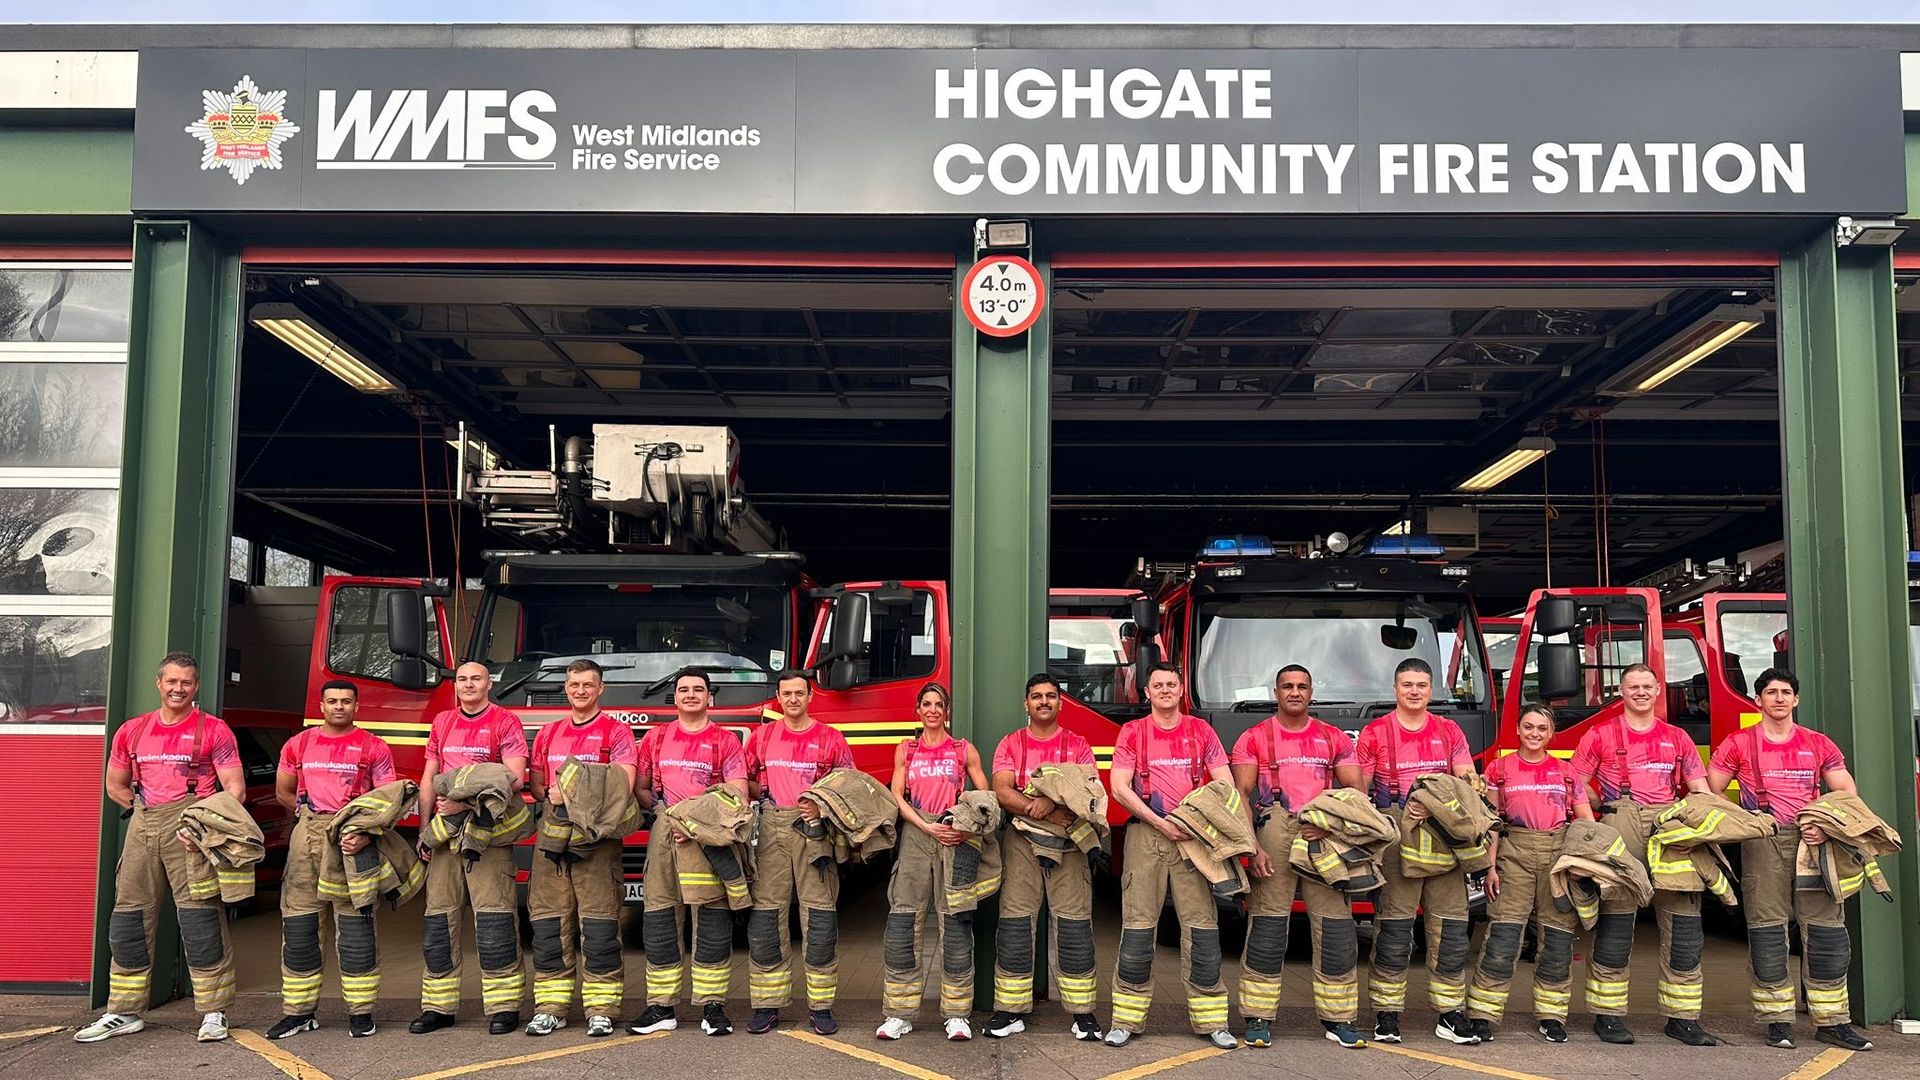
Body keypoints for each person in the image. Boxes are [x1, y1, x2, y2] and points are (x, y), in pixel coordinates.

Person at [79, 652, 247, 1045]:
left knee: (201, 918)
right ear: (159, 683)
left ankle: (214, 1012)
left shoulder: (215, 731)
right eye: (172, 681)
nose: (178, 688)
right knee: (129, 919)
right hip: (143, 824)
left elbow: (234, 789)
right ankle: (123, 1010)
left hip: (192, 827)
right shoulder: (132, 731)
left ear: (196, 686)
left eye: (186, 682)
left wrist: (202, 826)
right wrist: (139, 810)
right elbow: (115, 785)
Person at [1706, 668, 1872, 1052]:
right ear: (1758, 701)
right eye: (1770, 692)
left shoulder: (1818, 744)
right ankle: (1777, 1021)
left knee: (1826, 931)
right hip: (1764, 839)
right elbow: (1709, 792)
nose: (1778, 699)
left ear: (1795, 700)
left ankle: (1832, 1022)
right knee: (1768, 929)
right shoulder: (1739, 743)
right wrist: (1746, 823)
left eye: (1785, 692)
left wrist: (1826, 826)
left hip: (1814, 841)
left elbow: (1846, 791)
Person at [1569, 662, 1714, 1046]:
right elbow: (1574, 784)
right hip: (1621, 826)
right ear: (1621, 690)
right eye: (1633, 686)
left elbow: (1698, 789)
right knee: (1617, 922)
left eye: (1647, 686)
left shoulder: (1677, 737)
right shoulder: (1599, 734)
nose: (1641, 693)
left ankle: (1683, 1019)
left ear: (1658, 689)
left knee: (1684, 923)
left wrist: (1697, 827)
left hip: (1669, 829)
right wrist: (1601, 818)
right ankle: (1608, 1016)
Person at [1229, 664, 1367, 1050]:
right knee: (1268, 927)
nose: (1294, 692)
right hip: (1274, 833)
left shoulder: (1333, 737)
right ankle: (1258, 1017)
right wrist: (1252, 847)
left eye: (1301, 686)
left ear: (1311, 692)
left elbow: (1355, 790)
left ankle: (1339, 1020)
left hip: (1323, 834)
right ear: (1276, 692)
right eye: (1287, 686)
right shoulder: (1253, 738)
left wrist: (1333, 827)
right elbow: (1241, 794)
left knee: (1338, 928)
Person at [1106, 662, 1236, 1050]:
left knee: (1202, 929)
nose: (1164, 690)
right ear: (1146, 692)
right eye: (1157, 685)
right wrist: (1161, 823)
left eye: (1171, 684)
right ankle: (1126, 1020)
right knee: (1138, 928)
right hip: (1146, 836)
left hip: (1194, 840)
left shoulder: (1201, 731)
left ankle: (1212, 1022)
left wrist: (1199, 823)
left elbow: (1226, 785)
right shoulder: (1133, 732)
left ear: (1181, 690)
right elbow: (1119, 788)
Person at [1356, 657, 1483, 1047]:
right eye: (1407, 684)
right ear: (1395, 689)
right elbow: (1359, 793)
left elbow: (1468, 783)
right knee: (1394, 926)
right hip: (1397, 833)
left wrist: (1437, 804)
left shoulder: (1449, 731)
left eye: (1422, 684)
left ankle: (1449, 1013)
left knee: (1450, 927)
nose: (1414, 691)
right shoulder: (1375, 732)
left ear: (1432, 690)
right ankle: (1386, 1014)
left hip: (1445, 834)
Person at [265, 679, 400, 1040]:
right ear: (321, 706)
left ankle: (360, 1013)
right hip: (305, 837)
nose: (338, 707)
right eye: (332, 701)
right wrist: (309, 820)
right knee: (300, 927)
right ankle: (299, 1013)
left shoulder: (373, 747)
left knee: (356, 929)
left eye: (346, 701)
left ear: (357, 707)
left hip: (353, 840)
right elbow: (284, 791)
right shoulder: (299, 744)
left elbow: (388, 800)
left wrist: (363, 832)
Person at [410, 661, 530, 1036]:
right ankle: (438, 1007)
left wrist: (463, 803)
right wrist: (425, 827)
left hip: (486, 832)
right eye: (462, 679)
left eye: (475, 678)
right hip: (445, 834)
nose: (468, 684)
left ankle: (504, 1006)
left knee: (494, 919)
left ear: (488, 683)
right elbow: (429, 776)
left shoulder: (504, 721)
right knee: (438, 920)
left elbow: (515, 776)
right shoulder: (443, 722)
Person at [628, 668, 749, 1038]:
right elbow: (642, 788)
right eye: (684, 690)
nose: (691, 695)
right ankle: (661, 1007)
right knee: (660, 917)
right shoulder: (655, 739)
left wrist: (694, 821)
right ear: (675, 697)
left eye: (699, 689)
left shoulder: (725, 740)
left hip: (708, 838)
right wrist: (668, 816)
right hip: (665, 834)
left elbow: (738, 793)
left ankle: (712, 1007)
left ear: (710, 697)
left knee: (712, 918)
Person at [1464, 703, 1593, 1044]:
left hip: (1557, 855)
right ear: (1518, 730)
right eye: (1528, 727)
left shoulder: (1566, 773)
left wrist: (1582, 867)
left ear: (1551, 734)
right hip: (1514, 854)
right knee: (1504, 937)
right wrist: (1489, 867)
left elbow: (1586, 824)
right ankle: (1482, 1015)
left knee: (1557, 940)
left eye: (1542, 728)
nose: (1535, 733)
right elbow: (1491, 824)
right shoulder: (1499, 769)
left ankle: (1551, 1015)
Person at [985, 674, 1103, 1042]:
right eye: (1036, 696)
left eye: (1051, 696)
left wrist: (1052, 801)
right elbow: (1002, 791)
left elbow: (1089, 790)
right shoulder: (1011, 743)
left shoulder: (1078, 744)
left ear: (1060, 703)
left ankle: (1082, 1014)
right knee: (1016, 923)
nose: (1044, 702)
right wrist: (1047, 810)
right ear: (1026, 704)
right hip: (1022, 840)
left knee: (1073, 925)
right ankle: (1010, 1011)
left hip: (1069, 843)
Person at [524, 660, 637, 1038]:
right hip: (553, 838)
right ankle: (550, 1008)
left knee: (600, 925)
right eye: (574, 684)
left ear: (600, 689)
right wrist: (558, 796)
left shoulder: (616, 732)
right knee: (548, 924)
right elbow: (539, 786)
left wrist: (570, 792)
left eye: (588, 684)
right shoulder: (549, 733)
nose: (580, 690)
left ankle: (601, 1008)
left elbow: (622, 784)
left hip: (597, 842)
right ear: (566, 688)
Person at [743, 670, 856, 1036]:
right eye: (786, 693)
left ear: (811, 697)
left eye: (799, 693)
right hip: (772, 825)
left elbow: (850, 785)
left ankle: (821, 1007)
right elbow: (745, 780)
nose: (793, 699)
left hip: (815, 832)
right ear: (779, 697)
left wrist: (822, 807)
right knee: (766, 918)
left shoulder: (830, 738)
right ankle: (767, 1005)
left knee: (819, 918)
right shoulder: (762, 737)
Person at [877, 682, 990, 1042]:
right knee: (903, 922)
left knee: (955, 923)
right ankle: (898, 1014)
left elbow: (983, 796)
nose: (932, 710)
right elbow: (896, 795)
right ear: (918, 710)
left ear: (947, 710)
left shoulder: (962, 749)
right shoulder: (905, 750)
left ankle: (957, 1015)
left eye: (938, 704)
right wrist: (924, 825)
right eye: (926, 704)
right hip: (916, 835)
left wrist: (963, 826)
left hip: (953, 836)